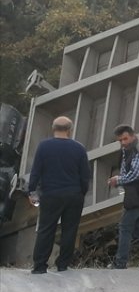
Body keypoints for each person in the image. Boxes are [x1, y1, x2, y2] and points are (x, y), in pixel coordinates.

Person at [26, 116, 90, 274]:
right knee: (70, 229)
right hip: (74, 194)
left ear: (53, 128)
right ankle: (63, 264)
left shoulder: (44, 146)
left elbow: (36, 172)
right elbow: (85, 175)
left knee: (46, 229)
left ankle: (40, 266)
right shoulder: (79, 148)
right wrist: (82, 192)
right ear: (70, 129)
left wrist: (31, 191)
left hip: (50, 194)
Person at [107, 125, 139, 269]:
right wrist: (120, 179)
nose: (123, 142)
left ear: (132, 135)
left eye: (125, 138)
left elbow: (137, 174)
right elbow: (127, 170)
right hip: (138, 193)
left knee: (125, 227)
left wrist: (118, 180)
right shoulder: (128, 149)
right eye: (120, 140)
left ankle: (121, 262)